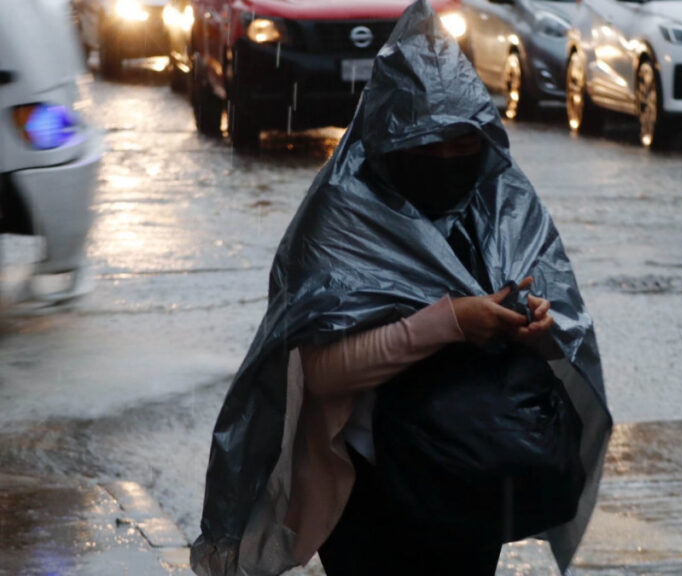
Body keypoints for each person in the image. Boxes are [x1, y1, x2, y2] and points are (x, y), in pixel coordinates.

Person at [190, 2, 612, 575]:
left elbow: (557, 337)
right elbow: (319, 373)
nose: (447, 161)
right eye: (427, 148)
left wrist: (535, 326)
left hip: (471, 481)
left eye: (461, 145)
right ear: (388, 142)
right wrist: (452, 322)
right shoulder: (343, 215)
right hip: (368, 495)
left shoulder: (500, 203)